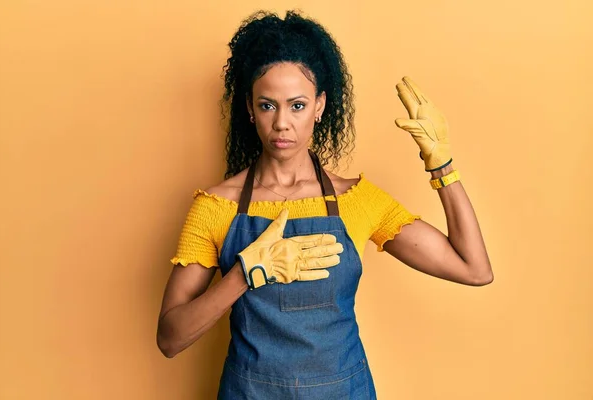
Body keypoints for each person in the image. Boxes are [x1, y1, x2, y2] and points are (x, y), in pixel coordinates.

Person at [156, 10, 493, 399]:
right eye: (268, 105)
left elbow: (474, 269)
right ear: (249, 108)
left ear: (319, 106)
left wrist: (442, 166)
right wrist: (244, 274)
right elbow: (170, 338)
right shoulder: (217, 207)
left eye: (297, 105)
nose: (282, 122)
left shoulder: (357, 200)